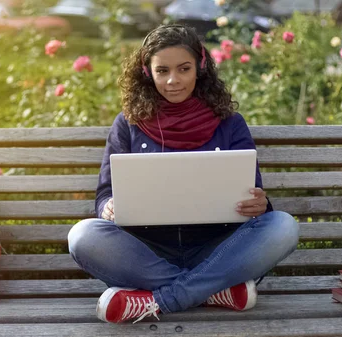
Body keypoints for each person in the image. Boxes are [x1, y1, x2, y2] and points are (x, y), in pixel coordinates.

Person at [68, 24, 299, 324]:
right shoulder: (128, 124)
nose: (173, 80)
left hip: (216, 248)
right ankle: (213, 291)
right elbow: (104, 193)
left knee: (283, 226)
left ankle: (160, 300)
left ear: (200, 67)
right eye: (162, 70)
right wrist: (108, 207)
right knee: (82, 236)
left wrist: (260, 204)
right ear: (147, 72)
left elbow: (253, 194)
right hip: (146, 252)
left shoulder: (230, 123)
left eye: (183, 69)